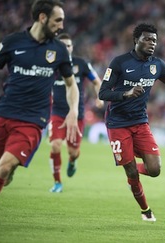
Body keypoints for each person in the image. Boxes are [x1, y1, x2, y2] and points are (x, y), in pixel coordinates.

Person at [0, 0, 80, 205]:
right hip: (3, 114)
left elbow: (70, 84)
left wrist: (73, 110)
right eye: (58, 20)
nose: (61, 26)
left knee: (3, 167)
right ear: (42, 18)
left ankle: (8, 170)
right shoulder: (11, 42)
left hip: (32, 120)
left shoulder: (59, 50)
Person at [98, 23, 165, 222]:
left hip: (140, 122)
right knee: (131, 170)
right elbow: (103, 93)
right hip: (117, 124)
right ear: (136, 40)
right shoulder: (119, 62)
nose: (152, 43)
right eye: (147, 39)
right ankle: (145, 210)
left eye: (154, 40)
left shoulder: (157, 65)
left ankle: (129, 169)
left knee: (155, 170)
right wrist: (127, 93)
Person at [48, 33, 103, 193]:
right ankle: (57, 182)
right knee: (55, 145)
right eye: (63, 45)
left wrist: (99, 98)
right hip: (57, 112)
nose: (66, 48)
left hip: (77, 114)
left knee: (73, 152)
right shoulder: (50, 65)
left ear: (72, 48)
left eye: (69, 45)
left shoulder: (81, 64)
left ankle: (72, 161)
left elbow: (97, 81)